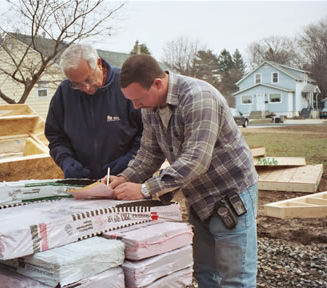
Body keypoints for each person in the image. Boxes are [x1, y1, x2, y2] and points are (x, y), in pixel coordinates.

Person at [105, 54, 258, 287]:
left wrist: (146, 189)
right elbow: (149, 154)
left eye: (138, 98)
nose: (135, 106)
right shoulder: (150, 107)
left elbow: (196, 160)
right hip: (198, 197)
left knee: (235, 278)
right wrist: (124, 178)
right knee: (206, 273)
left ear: (158, 83)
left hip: (231, 194)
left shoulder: (199, 98)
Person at [45, 44, 143, 180]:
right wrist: (66, 160)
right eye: (76, 84)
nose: (85, 87)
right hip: (83, 183)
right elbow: (56, 137)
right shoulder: (64, 93)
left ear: (98, 63)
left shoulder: (126, 86)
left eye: (88, 79)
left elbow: (149, 134)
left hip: (127, 179)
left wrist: (131, 159)